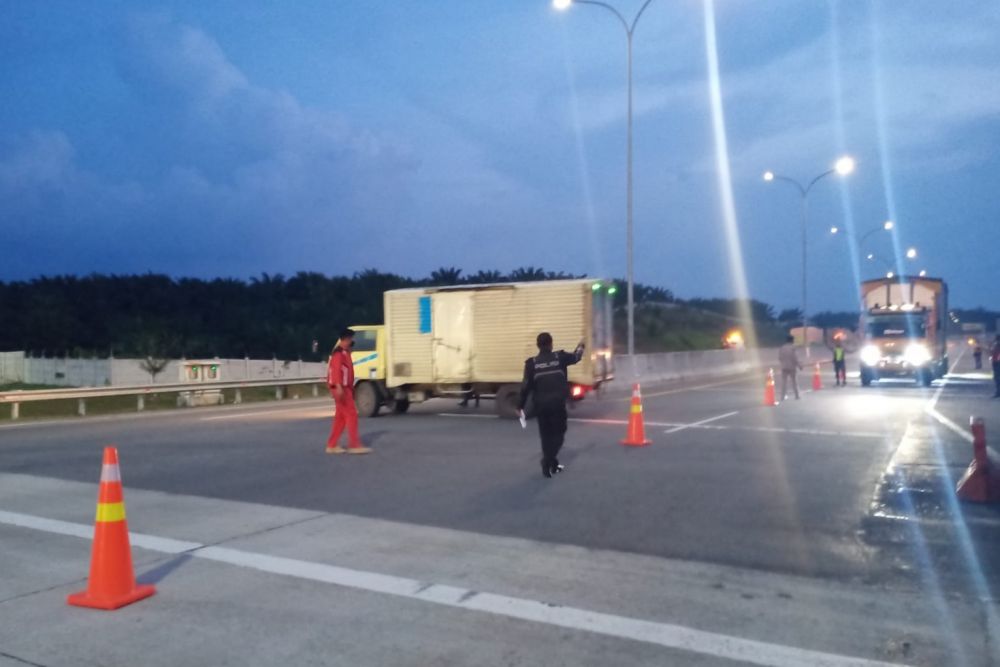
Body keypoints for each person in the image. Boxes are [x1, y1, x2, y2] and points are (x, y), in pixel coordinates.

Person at [518, 333, 585, 478]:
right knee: (559, 434)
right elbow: (577, 356)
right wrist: (582, 345)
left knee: (546, 436)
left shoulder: (532, 364)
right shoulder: (559, 358)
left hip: (540, 406)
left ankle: (552, 465)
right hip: (557, 405)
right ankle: (547, 461)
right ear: (551, 344)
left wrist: (520, 406)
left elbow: (525, 388)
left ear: (538, 345)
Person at [326, 329, 372, 454]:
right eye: (350, 339)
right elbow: (335, 371)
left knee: (340, 418)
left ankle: (332, 444)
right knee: (351, 415)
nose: (352, 341)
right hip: (341, 388)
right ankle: (354, 445)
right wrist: (338, 387)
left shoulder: (345, 352)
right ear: (345, 339)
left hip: (344, 388)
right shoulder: (338, 353)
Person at [778, 334, 803, 401]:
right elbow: (795, 358)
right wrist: (799, 365)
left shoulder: (782, 348)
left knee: (784, 382)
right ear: (792, 340)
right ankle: (797, 395)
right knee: (794, 381)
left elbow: (780, 358)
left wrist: (783, 363)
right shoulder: (793, 348)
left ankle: (782, 396)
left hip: (784, 367)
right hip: (792, 367)